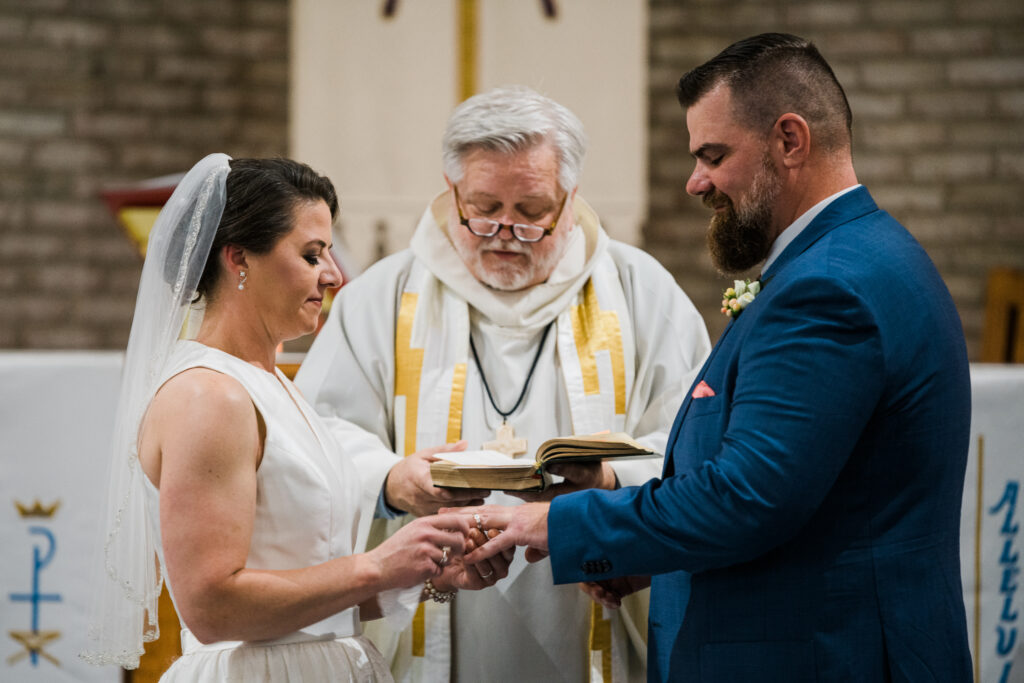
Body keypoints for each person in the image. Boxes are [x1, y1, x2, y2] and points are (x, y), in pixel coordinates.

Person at [461, 34, 974, 682]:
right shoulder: (863, 252)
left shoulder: (827, 287)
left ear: (790, 141)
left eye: (713, 155)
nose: (694, 181)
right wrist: (643, 553)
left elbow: (747, 497)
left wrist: (557, 523)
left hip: (819, 655)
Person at [296, 86, 710, 682]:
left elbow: (696, 443)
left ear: (572, 197)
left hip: (588, 593)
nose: (505, 231)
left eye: (532, 211)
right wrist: (391, 481)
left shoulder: (640, 291)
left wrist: (613, 478)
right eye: (484, 207)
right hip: (435, 601)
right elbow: (319, 438)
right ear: (451, 188)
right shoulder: (381, 299)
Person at [81, 154, 509, 681]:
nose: (332, 275)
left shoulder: (276, 384)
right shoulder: (208, 395)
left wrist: (429, 574)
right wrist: (375, 565)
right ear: (239, 259)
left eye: (328, 253)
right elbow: (214, 607)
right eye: (311, 255)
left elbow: (306, 601)